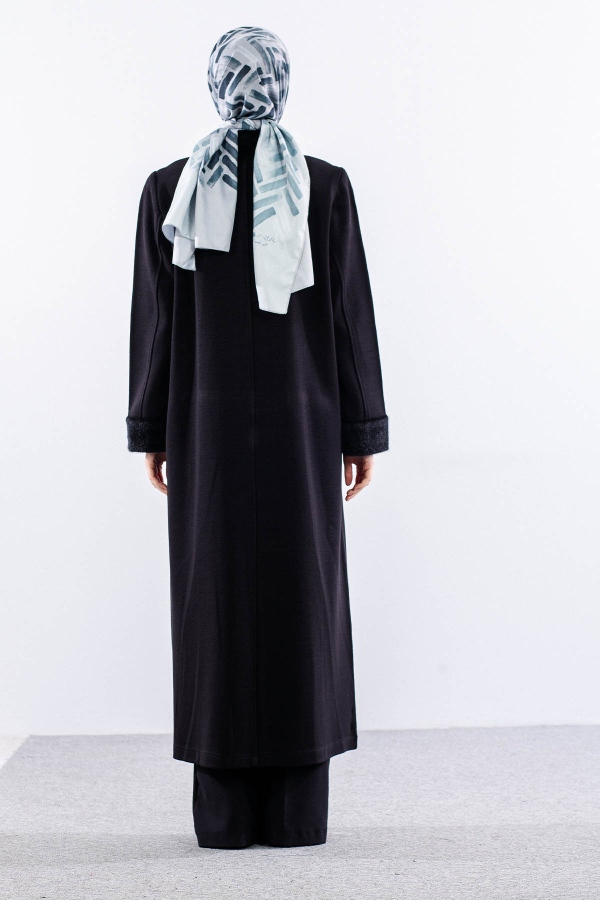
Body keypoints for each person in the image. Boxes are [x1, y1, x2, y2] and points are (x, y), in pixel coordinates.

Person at [126, 25, 389, 849]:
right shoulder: (323, 186)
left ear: (216, 86)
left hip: (201, 426)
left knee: (215, 599)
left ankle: (226, 817)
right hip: (306, 427)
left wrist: (152, 427)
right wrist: (360, 430)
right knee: (300, 598)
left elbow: (157, 325)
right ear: (282, 83)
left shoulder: (173, 188)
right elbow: (348, 316)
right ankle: (296, 814)